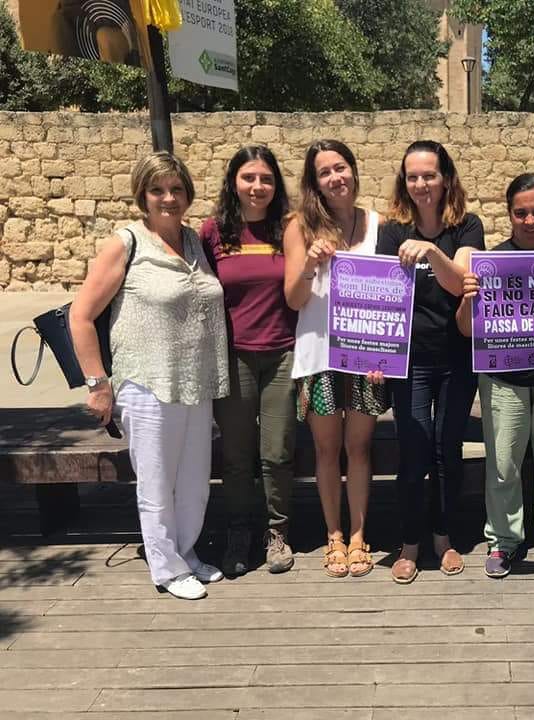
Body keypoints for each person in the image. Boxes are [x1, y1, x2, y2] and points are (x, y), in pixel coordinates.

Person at [71, 151, 229, 600]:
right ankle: (165, 565)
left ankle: (185, 551)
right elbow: (81, 316)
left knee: (195, 480)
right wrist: (97, 384)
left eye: (177, 189)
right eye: (158, 189)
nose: (169, 197)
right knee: (157, 481)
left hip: (194, 383)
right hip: (147, 383)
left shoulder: (195, 241)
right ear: (143, 194)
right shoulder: (126, 243)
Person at [456, 174, 534, 579]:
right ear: (509, 214)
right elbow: (467, 329)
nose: (530, 220)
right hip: (504, 382)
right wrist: (468, 300)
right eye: (521, 212)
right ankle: (505, 541)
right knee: (504, 465)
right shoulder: (493, 261)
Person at [377, 140, 483, 584]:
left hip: (458, 359)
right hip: (411, 361)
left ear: (445, 179)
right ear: (405, 181)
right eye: (413, 176)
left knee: (448, 451)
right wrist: (376, 354)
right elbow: (379, 295)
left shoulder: (467, 227)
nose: (421, 184)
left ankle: (444, 537)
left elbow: (463, 283)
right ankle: (410, 542)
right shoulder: (391, 231)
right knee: (414, 453)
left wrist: (432, 251)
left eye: (429, 175)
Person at [285, 140, 387, 579]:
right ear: (315, 182)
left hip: (366, 356)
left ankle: (361, 534)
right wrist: (309, 262)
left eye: (340, 167)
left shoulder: (380, 224)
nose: (335, 177)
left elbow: (392, 297)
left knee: (360, 447)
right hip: (319, 355)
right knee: (327, 450)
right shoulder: (300, 227)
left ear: (354, 170)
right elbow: (293, 298)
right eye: (324, 172)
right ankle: (334, 536)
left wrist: (389, 351)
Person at [200, 145, 297, 577]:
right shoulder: (212, 232)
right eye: (249, 178)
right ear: (233, 182)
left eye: (266, 179)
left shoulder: (290, 229)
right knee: (237, 456)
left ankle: (277, 532)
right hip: (233, 357)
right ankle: (240, 530)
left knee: (276, 452)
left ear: (276, 187)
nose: (257, 187)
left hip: (283, 354)